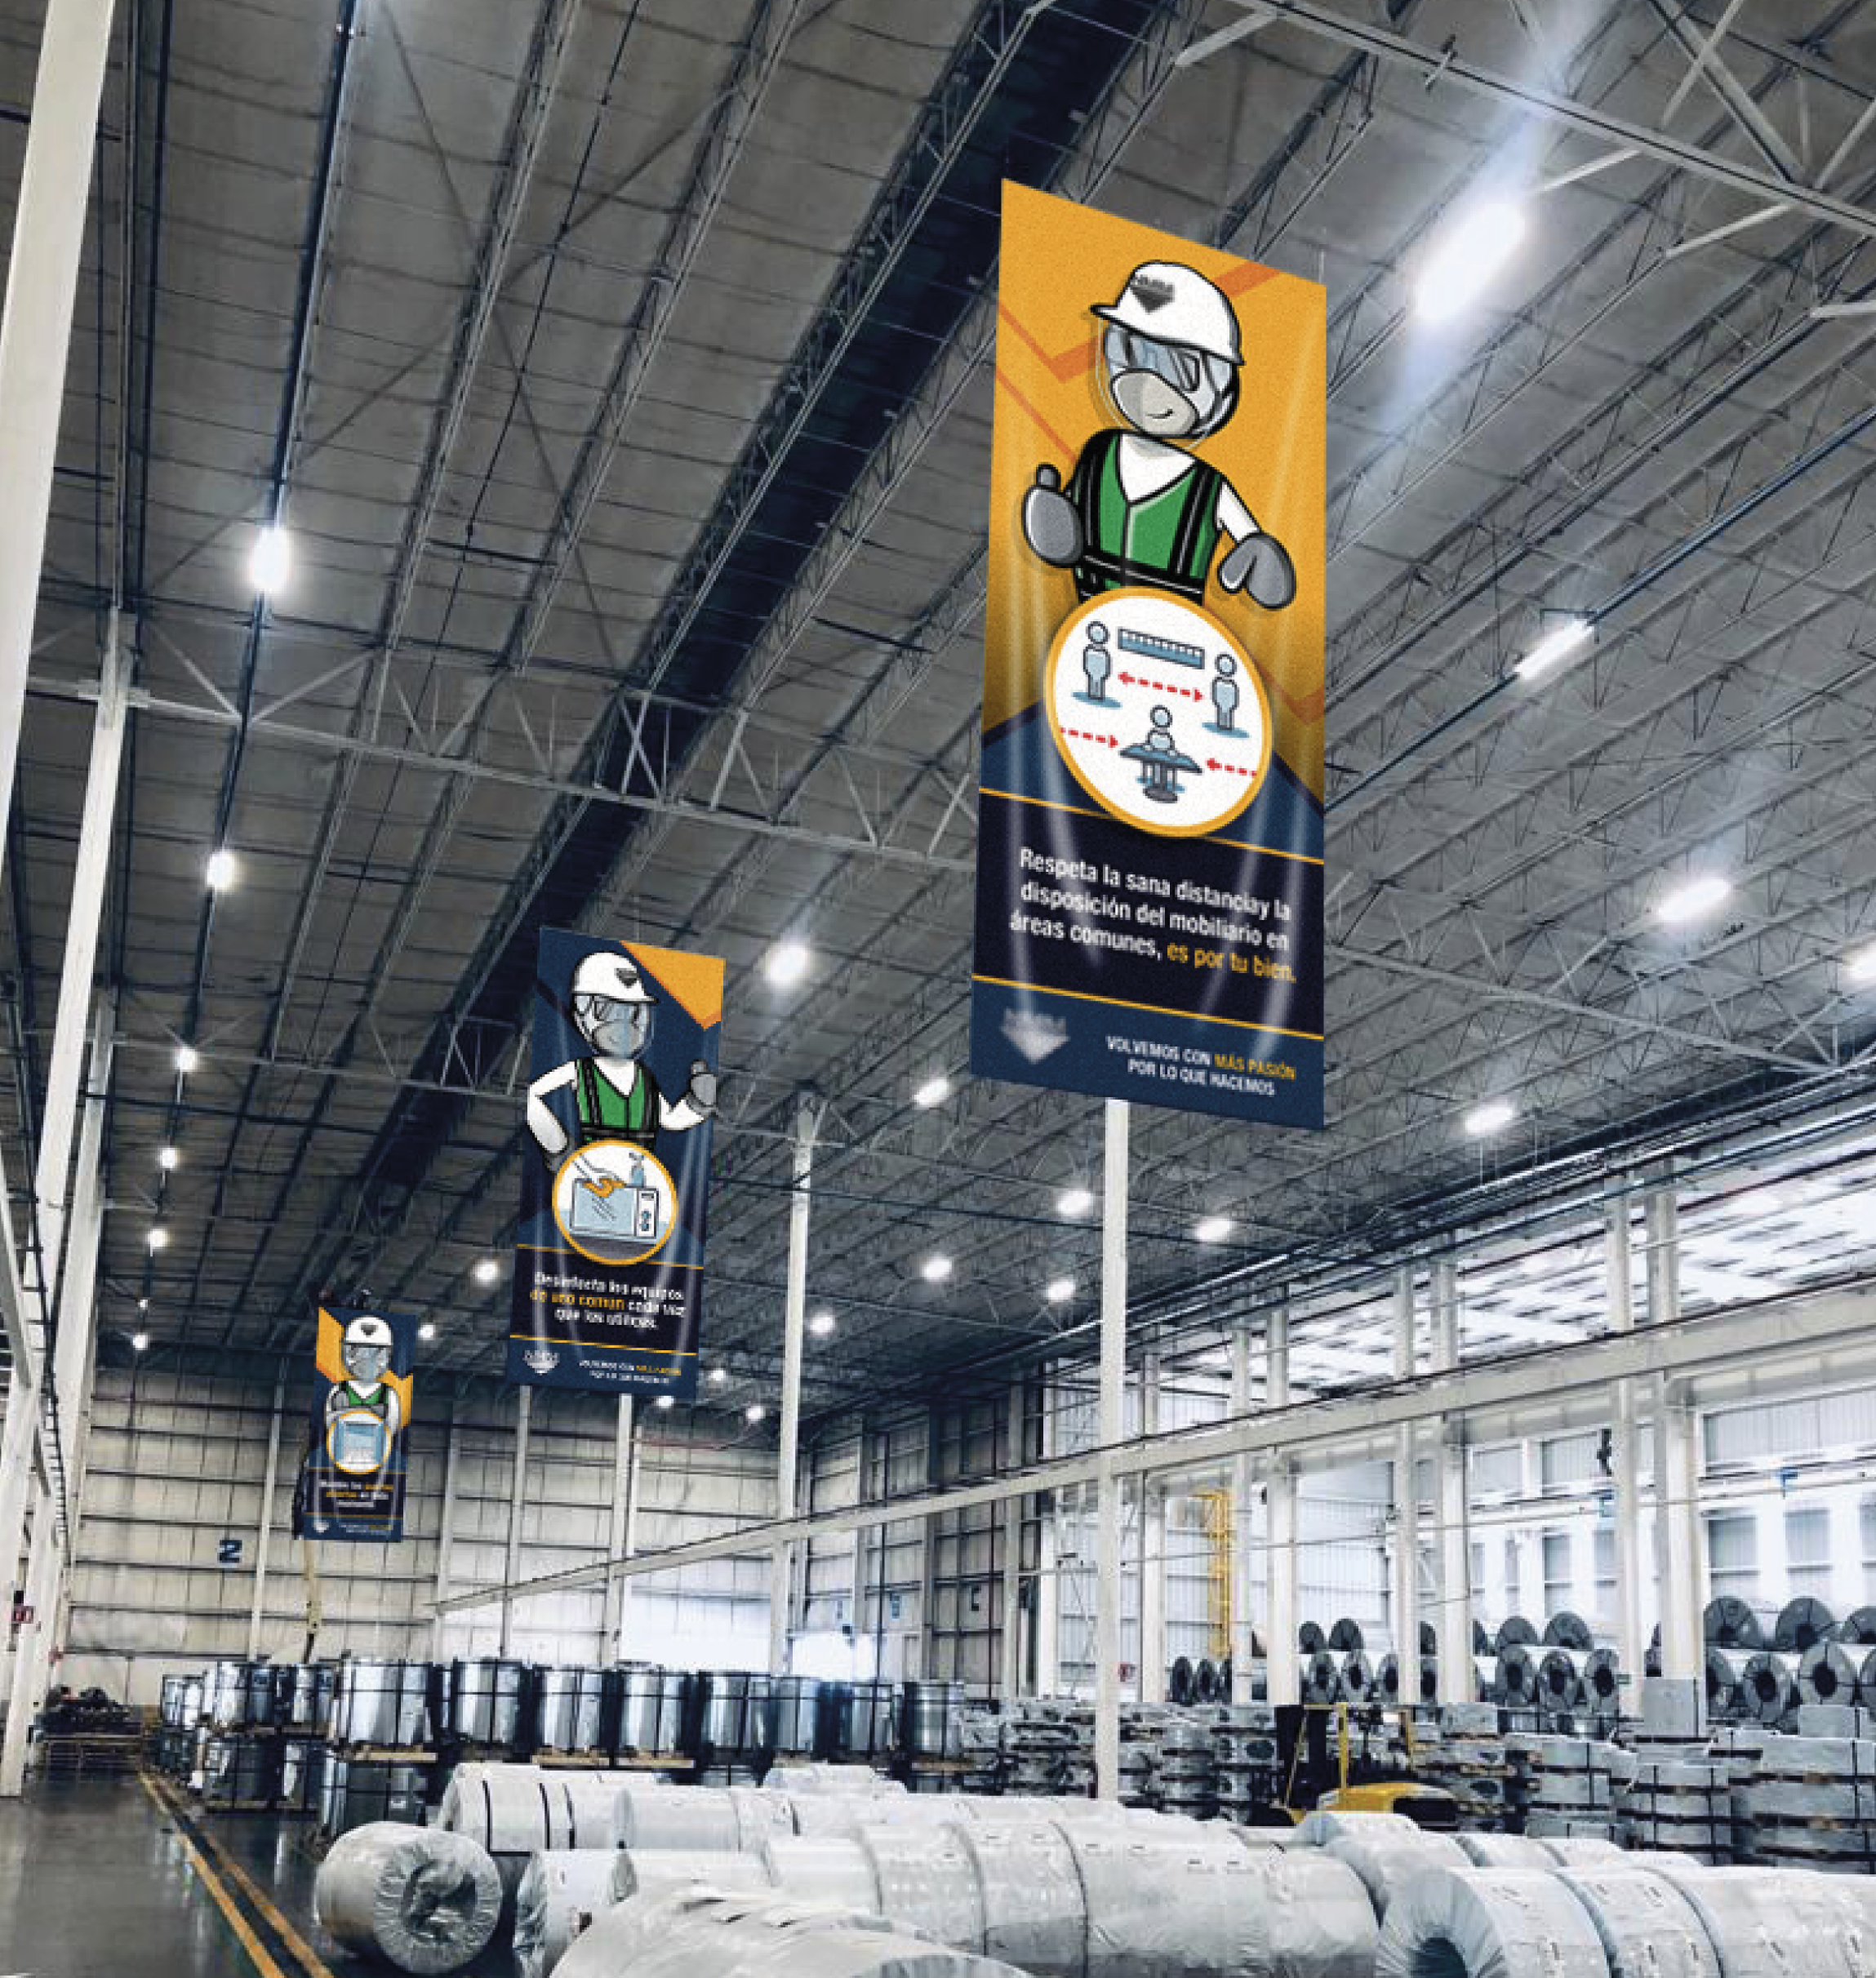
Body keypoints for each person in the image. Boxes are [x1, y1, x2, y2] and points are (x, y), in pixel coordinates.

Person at [1022, 261, 1295, 611]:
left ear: (1219, 388)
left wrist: (1260, 556)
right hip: (1091, 624)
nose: (1149, 383)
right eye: (1131, 353)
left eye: (1177, 368)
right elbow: (1069, 524)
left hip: (1174, 635)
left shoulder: (1209, 487)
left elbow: (1253, 544)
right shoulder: (1098, 452)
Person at [527, 950, 714, 1161]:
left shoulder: (645, 1078)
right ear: (582, 1014)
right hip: (595, 1172)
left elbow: (670, 1120)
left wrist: (697, 1105)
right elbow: (532, 1096)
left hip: (640, 1175)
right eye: (609, 1012)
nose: (624, 1027)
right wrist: (559, 1149)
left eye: (634, 1013)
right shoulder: (581, 1070)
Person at [1081, 620, 1114, 702]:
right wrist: (1087, 670)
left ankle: (1098, 696)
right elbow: (1086, 661)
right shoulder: (1089, 651)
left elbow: (1106, 663)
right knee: (1092, 683)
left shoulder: (1104, 653)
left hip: (1100, 673)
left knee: (1099, 685)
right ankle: (1092, 695)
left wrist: (1106, 673)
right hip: (1091, 672)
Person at [1211, 653, 1242, 734]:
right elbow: (1215, 694)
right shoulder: (1218, 683)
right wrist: (1217, 701)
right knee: (1221, 715)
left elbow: (1233, 696)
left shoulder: (1232, 685)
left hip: (1229, 705)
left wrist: (1233, 705)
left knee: (1227, 716)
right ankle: (1221, 725)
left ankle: (1227, 726)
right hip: (1221, 704)